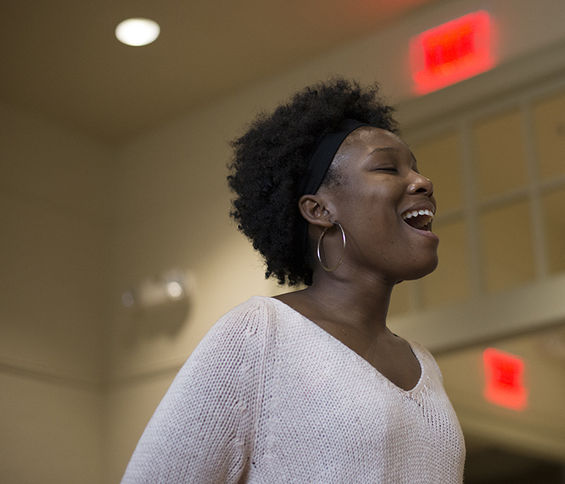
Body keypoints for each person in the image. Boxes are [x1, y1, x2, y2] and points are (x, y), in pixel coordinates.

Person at [121, 78, 466, 483]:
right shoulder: (260, 334)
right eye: (388, 168)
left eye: (416, 168)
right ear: (319, 209)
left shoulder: (423, 364)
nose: (423, 182)